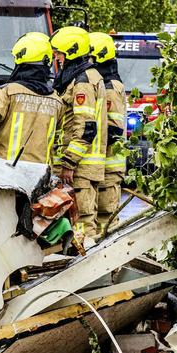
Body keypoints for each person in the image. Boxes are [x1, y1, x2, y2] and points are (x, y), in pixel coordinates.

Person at [0, 32, 66, 164]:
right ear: (47, 61)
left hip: (7, 174)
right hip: (39, 176)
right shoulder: (57, 100)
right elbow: (60, 141)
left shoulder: (7, 92)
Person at [49, 26, 108, 240]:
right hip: (81, 166)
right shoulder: (81, 77)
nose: (57, 58)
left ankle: (88, 269)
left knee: (83, 224)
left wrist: (69, 163)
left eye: (60, 53)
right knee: (76, 223)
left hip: (80, 168)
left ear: (72, 52)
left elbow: (85, 128)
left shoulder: (82, 82)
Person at [90, 31, 127, 229]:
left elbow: (113, 129)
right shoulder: (104, 83)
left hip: (108, 168)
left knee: (106, 223)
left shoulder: (110, 87)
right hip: (101, 167)